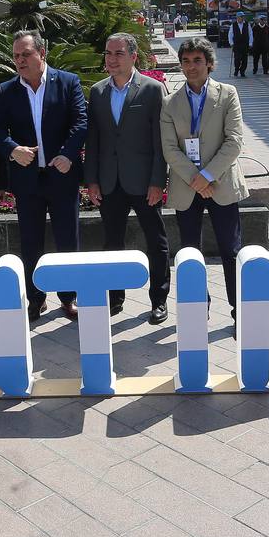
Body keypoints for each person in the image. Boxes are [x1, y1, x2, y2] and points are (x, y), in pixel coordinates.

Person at [0, 30, 88, 322]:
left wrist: (68, 154)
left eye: (26, 54)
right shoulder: (6, 90)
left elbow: (81, 121)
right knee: (30, 241)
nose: (20, 60)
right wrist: (12, 149)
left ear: (42, 54)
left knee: (67, 241)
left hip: (61, 176)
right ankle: (36, 299)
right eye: (17, 56)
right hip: (27, 180)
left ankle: (68, 298)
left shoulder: (67, 82)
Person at [162, 38, 249, 319]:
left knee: (231, 250)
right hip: (187, 187)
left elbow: (234, 141)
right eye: (186, 61)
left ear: (209, 64)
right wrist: (195, 179)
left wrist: (208, 175)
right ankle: (198, 310)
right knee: (190, 254)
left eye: (197, 60)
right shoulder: (170, 103)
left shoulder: (227, 95)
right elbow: (169, 148)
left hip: (220, 184)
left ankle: (239, 311)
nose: (191, 67)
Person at [86, 33, 170, 325]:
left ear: (134, 57)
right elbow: (94, 140)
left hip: (145, 182)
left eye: (118, 53)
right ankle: (115, 299)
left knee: (156, 241)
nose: (111, 59)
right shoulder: (97, 92)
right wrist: (92, 180)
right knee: (112, 243)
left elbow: (161, 141)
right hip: (110, 183)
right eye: (108, 53)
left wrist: (158, 181)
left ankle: (159, 300)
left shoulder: (152, 89)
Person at [228, 12, 252, 77]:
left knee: (245, 59)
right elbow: (230, 35)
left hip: (245, 44)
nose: (243, 18)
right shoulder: (233, 25)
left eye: (243, 17)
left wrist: (250, 43)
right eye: (241, 17)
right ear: (238, 18)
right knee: (237, 59)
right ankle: (236, 70)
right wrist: (231, 43)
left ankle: (242, 71)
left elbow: (250, 34)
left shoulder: (247, 24)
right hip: (237, 45)